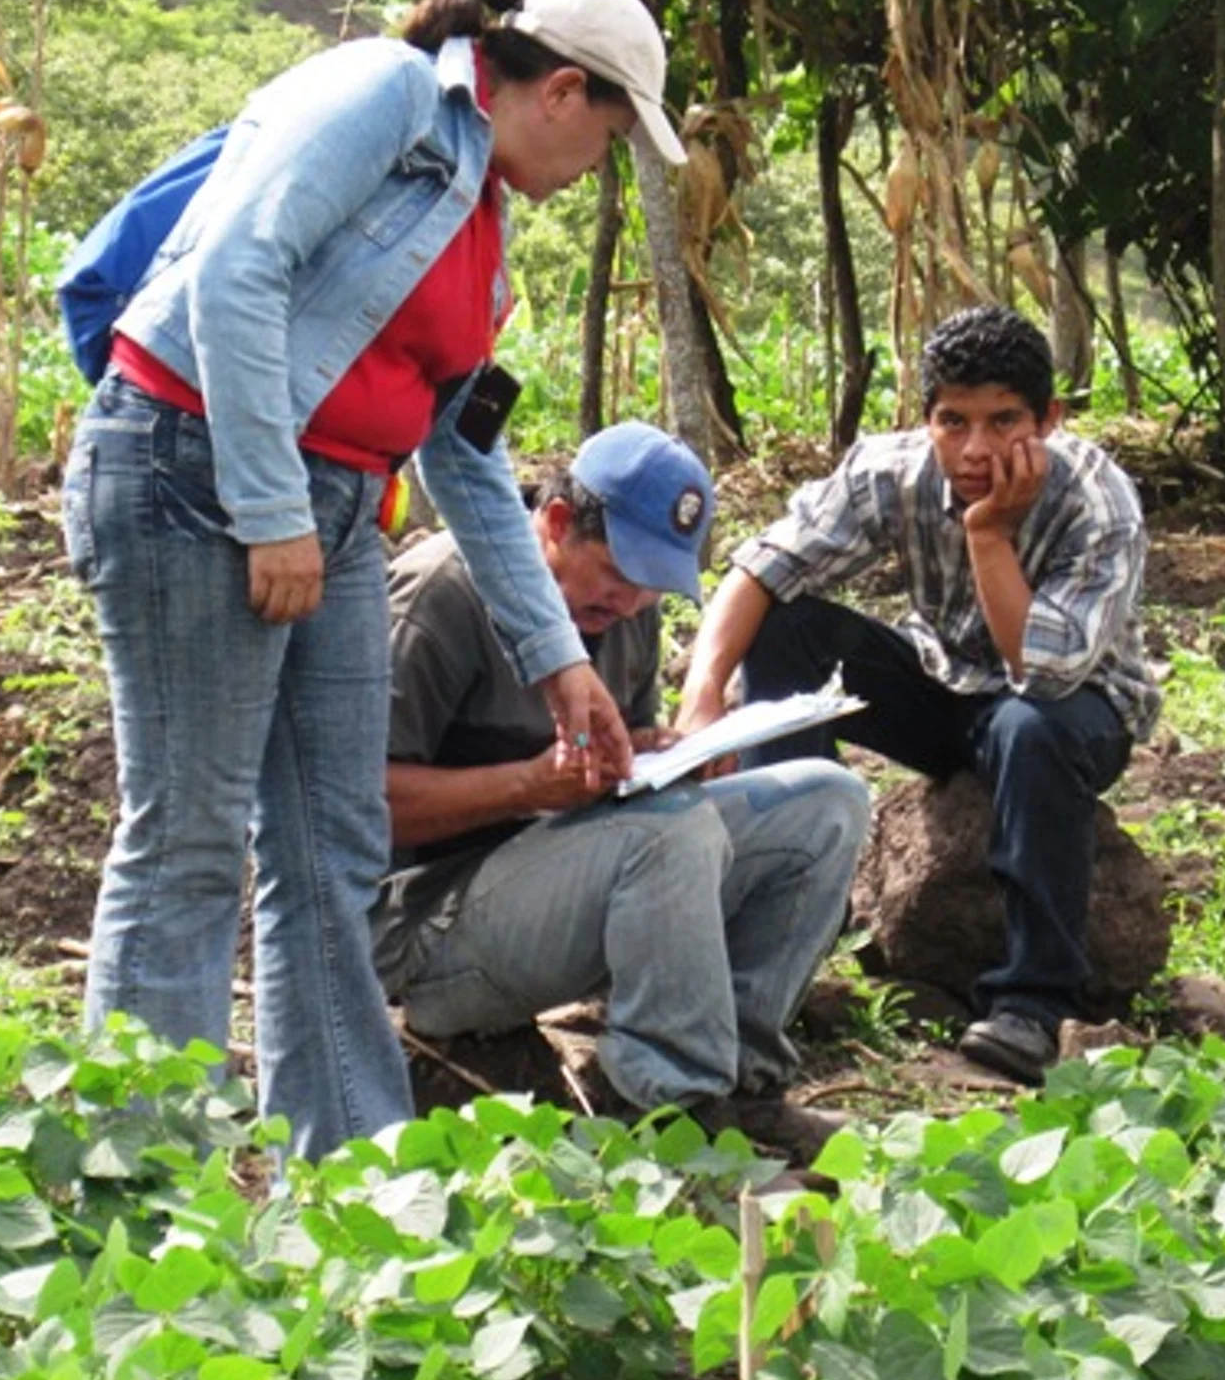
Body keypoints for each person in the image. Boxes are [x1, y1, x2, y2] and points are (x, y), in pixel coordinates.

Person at [60, 0, 687, 1162]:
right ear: (561, 90)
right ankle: (140, 1189)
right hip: (193, 466)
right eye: (609, 139)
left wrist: (561, 662)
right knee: (188, 839)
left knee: (331, 843)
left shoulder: (482, 218)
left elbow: (465, 450)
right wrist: (266, 506)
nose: (599, 169)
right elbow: (241, 266)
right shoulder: (383, 93)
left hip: (338, 509)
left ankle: (349, 1177)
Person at [675, 305, 1160, 1086]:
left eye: (1004, 421)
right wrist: (702, 697)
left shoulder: (1095, 499)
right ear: (924, 416)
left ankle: (1032, 1004)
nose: (974, 448)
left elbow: (1044, 669)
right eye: (952, 420)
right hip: (948, 685)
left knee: (1030, 728)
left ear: (1051, 419)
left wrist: (989, 533)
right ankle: (794, 903)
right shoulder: (889, 471)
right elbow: (763, 568)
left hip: (1072, 707)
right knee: (786, 629)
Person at [373, 423, 871, 1162]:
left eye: (654, 584)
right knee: (673, 834)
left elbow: (620, 780)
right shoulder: (445, 589)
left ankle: (745, 1089)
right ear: (556, 523)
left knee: (829, 802)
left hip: (564, 881)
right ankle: (673, 1119)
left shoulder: (624, 614)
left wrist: (659, 754)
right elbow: (359, 803)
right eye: (618, 571)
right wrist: (528, 784)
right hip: (421, 926)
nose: (634, 599)